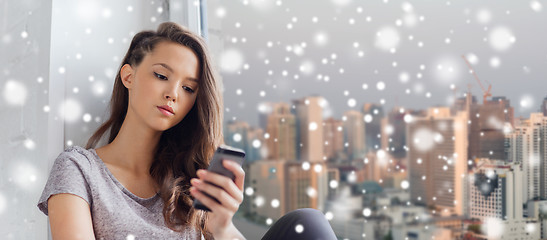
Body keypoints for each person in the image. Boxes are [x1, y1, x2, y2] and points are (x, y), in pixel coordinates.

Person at [37, 22, 337, 240]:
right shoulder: (78, 170)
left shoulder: (189, 179)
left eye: (188, 88)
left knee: (308, 223)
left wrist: (222, 227)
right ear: (128, 75)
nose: (173, 94)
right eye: (161, 75)